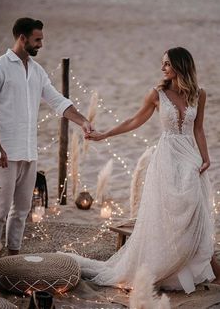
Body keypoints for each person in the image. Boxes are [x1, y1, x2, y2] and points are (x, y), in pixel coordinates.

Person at [67, 47, 220, 293]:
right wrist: (105, 134)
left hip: (190, 158)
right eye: (163, 64)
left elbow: (199, 129)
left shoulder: (199, 94)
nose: (162, 69)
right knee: (167, 215)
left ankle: (200, 266)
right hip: (167, 158)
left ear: (180, 65)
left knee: (195, 212)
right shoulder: (158, 93)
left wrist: (206, 158)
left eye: (167, 64)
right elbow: (134, 121)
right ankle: (170, 267)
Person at [0, 17, 93, 255]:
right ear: (22, 38)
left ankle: (13, 255)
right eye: (37, 39)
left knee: (22, 209)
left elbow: (58, 101)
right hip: (3, 152)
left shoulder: (36, 71)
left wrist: (83, 120)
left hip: (29, 152)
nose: (41, 44)